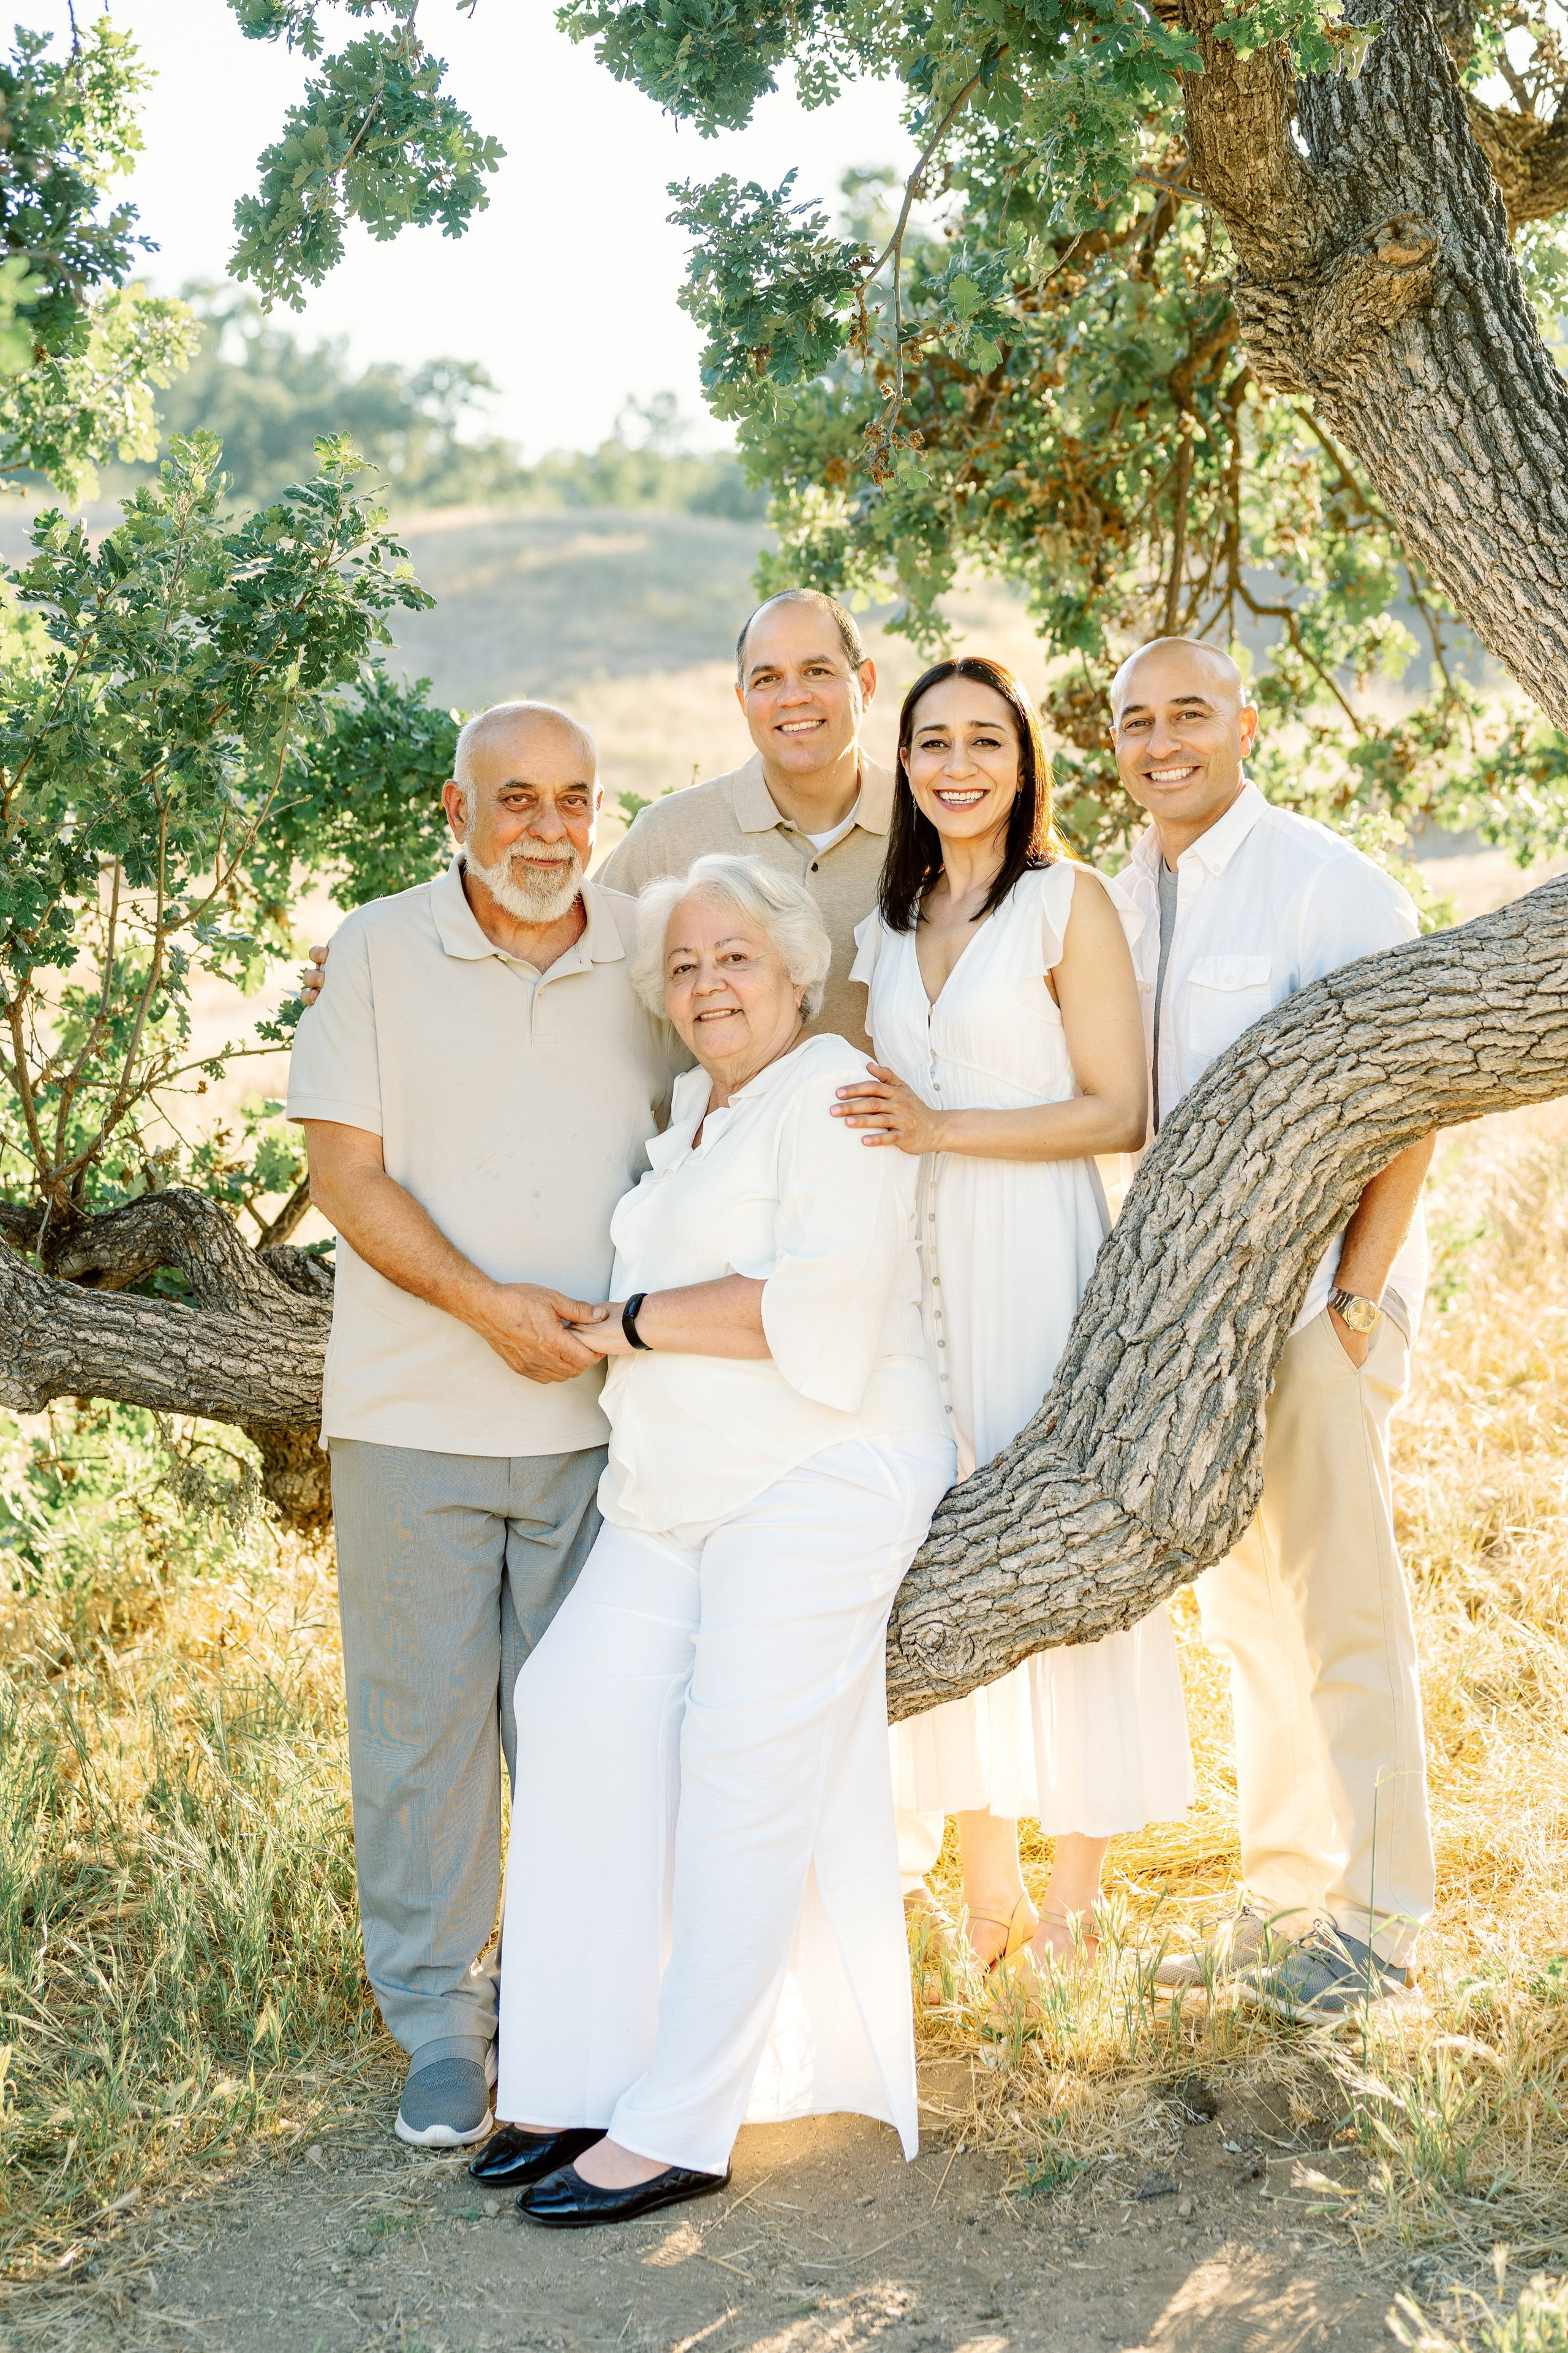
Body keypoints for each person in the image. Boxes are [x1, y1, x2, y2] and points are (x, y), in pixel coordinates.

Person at [480, 855, 954, 2227]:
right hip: (673, 1486)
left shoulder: (834, 1094)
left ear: (795, 973)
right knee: (568, 1704)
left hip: (822, 1466)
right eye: (683, 966)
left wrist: (621, 1324)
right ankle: (571, 2074)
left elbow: (816, 1309)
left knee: (737, 1756)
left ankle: (683, 2117)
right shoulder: (687, 1114)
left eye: (734, 957)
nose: (706, 984)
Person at [287, 700, 683, 2148]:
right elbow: (347, 1175)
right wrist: (482, 1304)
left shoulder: (645, 948)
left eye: (573, 798)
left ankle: (569, 2010)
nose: (547, 826)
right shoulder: (379, 950)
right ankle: (440, 2024)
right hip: (412, 1417)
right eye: (512, 798)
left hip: (607, 1423)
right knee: (418, 1737)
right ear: (456, 816)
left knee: (586, 1733)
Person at [832, 658, 1195, 1979]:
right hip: (916, 1274)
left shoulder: (1065, 902)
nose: (957, 764)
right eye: (932, 741)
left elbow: (1117, 1110)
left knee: (1059, 1541)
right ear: (907, 765)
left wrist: (943, 1128)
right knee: (951, 1554)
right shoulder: (888, 920)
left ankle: (1075, 1905)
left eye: (984, 739)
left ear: (1021, 759)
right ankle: (987, 1898)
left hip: (1035, 1256)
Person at [1111, 636, 1436, 2017]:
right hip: (1192, 1332)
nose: (1163, 739)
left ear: (1245, 722)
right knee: (1247, 1620)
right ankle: (1284, 1886)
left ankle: (1376, 1923)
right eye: (1135, 719)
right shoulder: (1120, 897)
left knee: (1344, 1614)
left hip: (1315, 1312)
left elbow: (1411, 1089)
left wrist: (1353, 1301)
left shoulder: (1326, 882)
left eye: (1191, 711)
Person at [597, 588, 891, 1047]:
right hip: (715, 1117)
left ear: (866, 685)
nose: (793, 697)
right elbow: (584, 973)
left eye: (817, 671)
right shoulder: (668, 834)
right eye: (768, 679)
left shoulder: (931, 824)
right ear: (743, 701)